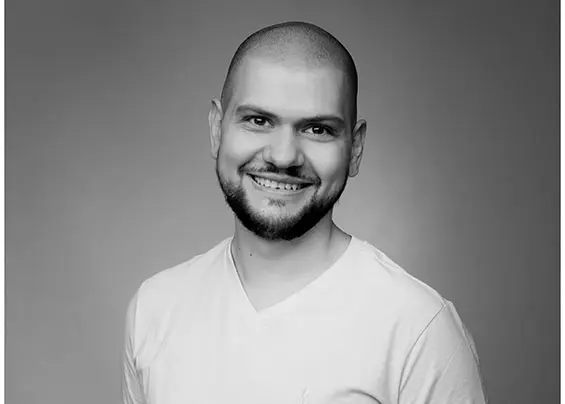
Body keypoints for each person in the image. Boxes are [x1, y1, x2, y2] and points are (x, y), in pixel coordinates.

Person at [122, 21, 487, 404]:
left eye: (317, 129)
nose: (283, 156)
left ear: (355, 148)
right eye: (258, 121)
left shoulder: (419, 330)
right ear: (217, 129)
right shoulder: (154, 308)